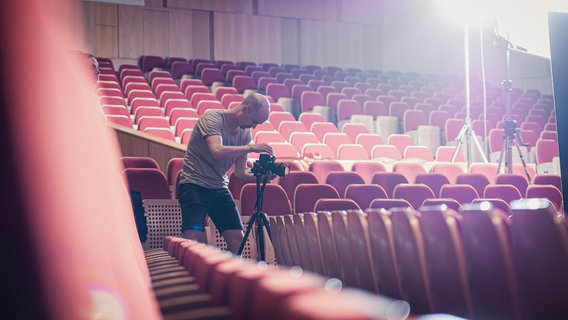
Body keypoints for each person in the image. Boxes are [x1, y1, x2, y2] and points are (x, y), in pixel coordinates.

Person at [178, 92, 274, 254]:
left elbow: (240, 171)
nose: (254, 127)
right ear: (245, 109)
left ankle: (231, 276)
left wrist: (262, 176)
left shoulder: (245, 134)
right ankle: (188, 277)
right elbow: (216, 150)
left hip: (218, 187)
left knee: (237, 237)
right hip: (194, 184)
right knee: (192, 236)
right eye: (254, 121)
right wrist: (251, 147)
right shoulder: (212, 118)